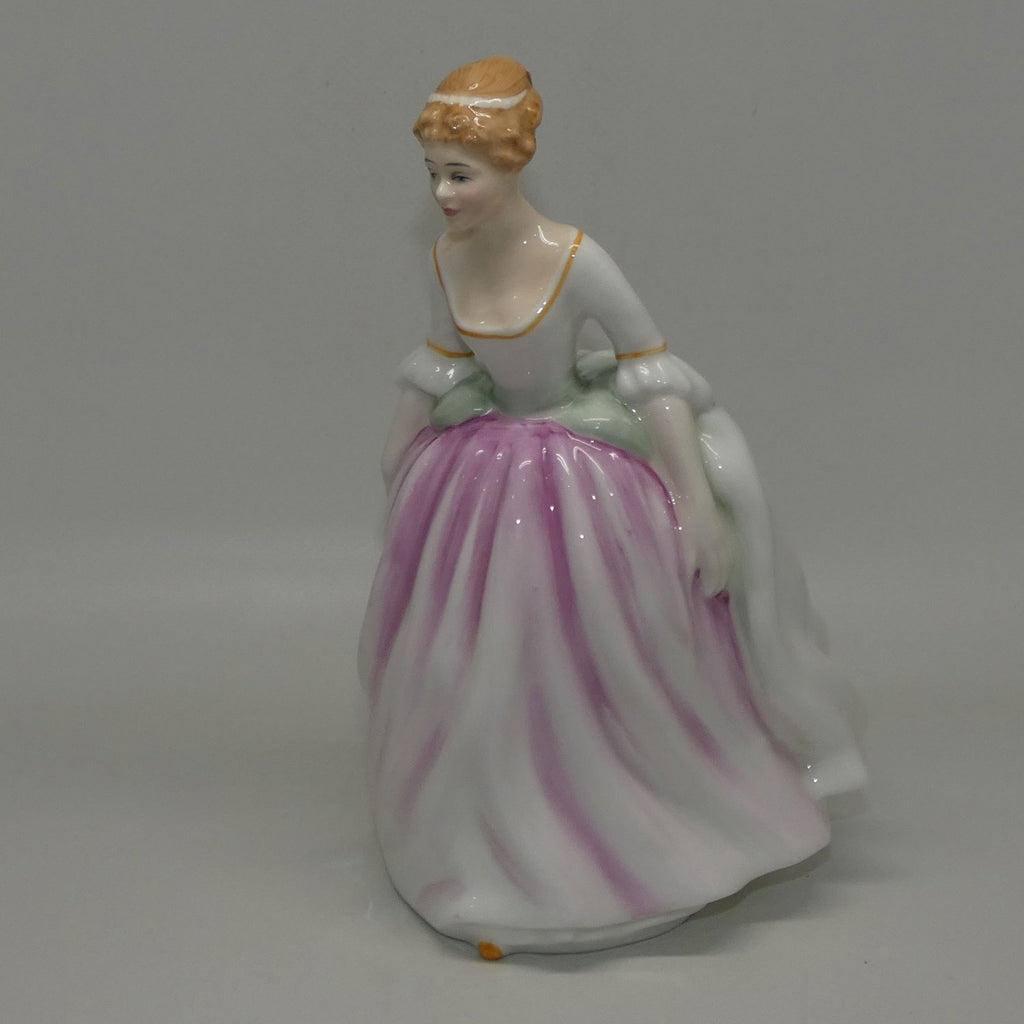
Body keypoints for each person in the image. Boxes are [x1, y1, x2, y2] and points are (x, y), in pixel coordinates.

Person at [358, 56, 864, 958]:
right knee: (473, 660)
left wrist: (694, 498)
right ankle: (483, 841)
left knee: (592, 657)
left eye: (459, 175)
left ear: (511, 164)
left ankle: (610, 839)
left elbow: (650, 371)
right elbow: (441, 357)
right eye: (432, 173)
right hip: (482, 468)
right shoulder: (447, 255)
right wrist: (398, 444)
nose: (441, 194)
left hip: (575, 473)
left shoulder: (575, 258)